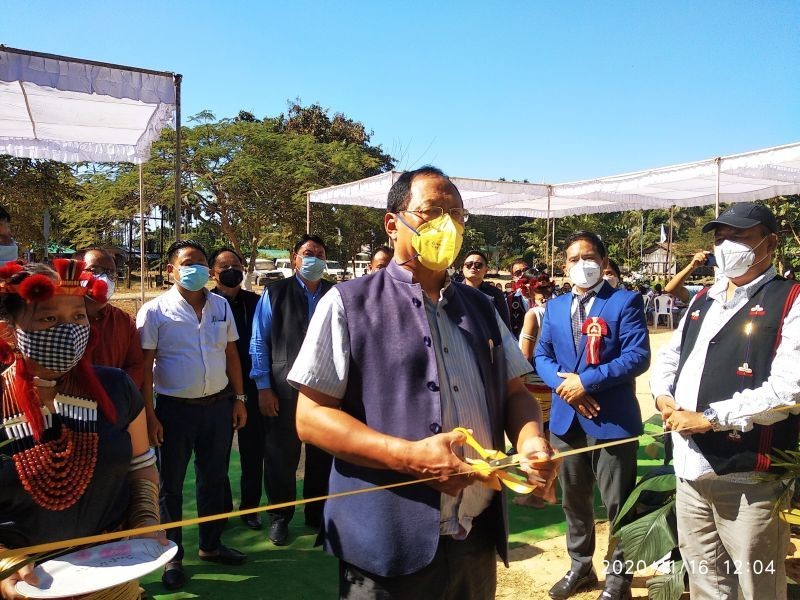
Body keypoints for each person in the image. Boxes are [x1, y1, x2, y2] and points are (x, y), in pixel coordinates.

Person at [291, 166, 556, 599]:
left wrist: (530, 442)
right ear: (393, 224)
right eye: (431, 212)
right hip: (387, 542)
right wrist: (409, 457)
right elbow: (312, 417)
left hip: (475, 536)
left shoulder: (483, 307)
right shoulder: (346, 303)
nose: (447, 225)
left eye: (456, 214)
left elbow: (515, 393)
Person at [650, 202, 800, 600]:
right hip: (690, 471)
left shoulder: (791, 300)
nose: (727, 245)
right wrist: (664, 396)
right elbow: (670, 355)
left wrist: (711, 417)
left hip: (747, 475)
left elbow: (790, 389)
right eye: (720, 238)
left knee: (758, 583)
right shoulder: (704, 298)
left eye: (740, 236)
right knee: (705, 580)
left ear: (771, 242)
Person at [0, 259, 164, 600]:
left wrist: (146, 521)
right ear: (9, 331)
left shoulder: (116, 388)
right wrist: (7, 563)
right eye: (49, 318)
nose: (69, 329)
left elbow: (140, 465)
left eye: (78, 317)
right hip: (28, 589)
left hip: (115, 580)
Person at [535, 230, 650, 600]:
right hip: (566, 421)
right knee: (574, 499)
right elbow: (541, 356)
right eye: (572, 259)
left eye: (588, 257)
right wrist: (564, 387)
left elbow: (637, 356)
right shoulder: (552, 308)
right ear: (564, 265)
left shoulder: (624, 302)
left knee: (619, 503)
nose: (580, 265)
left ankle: (619, 579)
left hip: (611, 420)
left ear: (602, 261)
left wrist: (586, 382)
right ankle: (580, 567)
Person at [137, 240, 248, 591]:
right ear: (171, 270)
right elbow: (144, 370)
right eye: (188, 263)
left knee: (213, 479)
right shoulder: (154, 312)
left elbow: (231, 355)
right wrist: (150, 416)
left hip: (217, 406)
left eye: (202, 263)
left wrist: (239, 398)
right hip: (174, 411)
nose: (196, 269)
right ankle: (173, 557)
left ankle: (211, 545)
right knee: (170, 487)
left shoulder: (220, 306)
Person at [249, 234, 334, 546]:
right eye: (308, 253)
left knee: (322, 455)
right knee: (280, 455)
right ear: (295, 258)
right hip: (283, 389)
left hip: (325, 389)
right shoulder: (275, 292)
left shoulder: (334, 294)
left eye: (320, 254)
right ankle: (280, 517)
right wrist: (263, 387)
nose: (314, 259)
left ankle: (317, 515)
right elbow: (259, 341)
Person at [208, 248, 263, 530]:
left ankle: (250, 509)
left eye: (236, 265)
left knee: (253, 454)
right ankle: (222, 508)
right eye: (225, 266)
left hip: (252, 387)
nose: (232, 270)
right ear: (213, 273)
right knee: (217, 455)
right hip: (217, 390)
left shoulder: (256, 302)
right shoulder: (205, 304)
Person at [73, 248, 144, 388]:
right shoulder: (58, 319)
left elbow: (136, 365)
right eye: (95, 270)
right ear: (75, 273)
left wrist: (117, 392)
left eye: (111, 273)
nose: (105, 279)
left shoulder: (123, 321)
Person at [462, 249, 511, 329]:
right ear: (463, 268)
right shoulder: (454, 291)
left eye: (478, 265)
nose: (473, 267)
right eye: (468, 264)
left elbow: (504, 326)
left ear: (486, 270)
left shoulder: (495, 294)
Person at [506, 260, 530, 337]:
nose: (523, 274)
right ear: (513, 277)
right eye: (518, 272)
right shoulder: (508, 299)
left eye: (526, 271)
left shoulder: (547, 295)